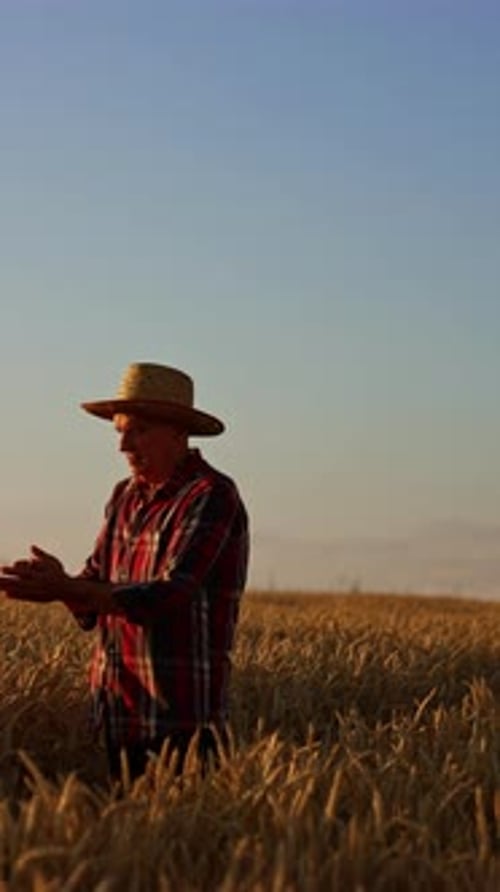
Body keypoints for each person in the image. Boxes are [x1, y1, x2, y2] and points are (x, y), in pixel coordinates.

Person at [0, 362, 249, 782]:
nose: (124, 447)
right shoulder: (124, 497)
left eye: (138, 431)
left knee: (180, 838)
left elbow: (168, 595)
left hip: (179, 720)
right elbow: (96, 586)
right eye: (120, 433)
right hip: (120, 713)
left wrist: (67, 587)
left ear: (177, 432)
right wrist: (63, 585)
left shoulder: (211, 495)